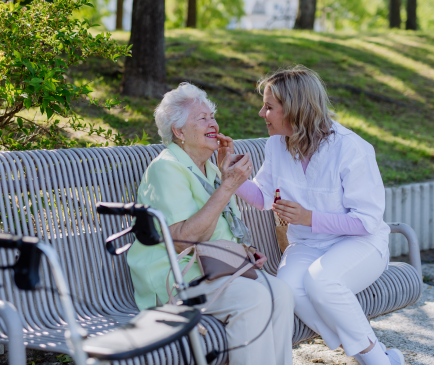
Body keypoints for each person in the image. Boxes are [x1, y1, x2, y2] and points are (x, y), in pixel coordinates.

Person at [220, 66, 405, 365]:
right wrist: (231, 176)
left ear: (294, 110)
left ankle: (377, 362)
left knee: (322, 281)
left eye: (269, 107)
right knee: (289, 288)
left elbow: (367, 221)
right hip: (307, 245)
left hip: (359, 243)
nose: (261, 114)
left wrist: (309, 217)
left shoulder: (351, 149)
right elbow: (265, 198)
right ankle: (374, 352)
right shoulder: (276, 145)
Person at [126, 82, 295, 365]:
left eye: (212, 116)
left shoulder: (211, 167)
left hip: (212, 269)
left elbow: (221, 228)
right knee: (254, 300)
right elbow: (182, 240)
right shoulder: (166, 168)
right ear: (179, 132)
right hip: (177, 275)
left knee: (281, 293)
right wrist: (228, 187)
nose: (212, 123)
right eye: (201, 118)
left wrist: (245, 252)